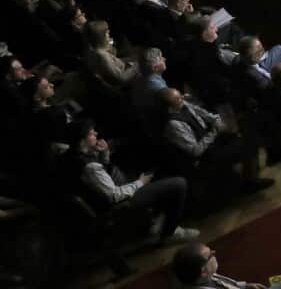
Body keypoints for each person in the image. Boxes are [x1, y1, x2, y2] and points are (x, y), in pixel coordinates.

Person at [72, 121, 200, 246]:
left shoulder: (79, 155)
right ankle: (170, 233)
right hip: (118, 206)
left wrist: (105, 153)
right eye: (91, 133)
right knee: (179, 183)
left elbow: (104, 176)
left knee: (158, 170)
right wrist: (140, 182)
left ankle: (154, 221)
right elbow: (114, 195)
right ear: (82, 140)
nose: (95, 133)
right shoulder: (89, 166)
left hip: (116, 193)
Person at [171, 242, 266, 289]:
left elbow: (226, 283)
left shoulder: (206, 276)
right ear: (203, 271)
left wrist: (246, 286)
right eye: (210, 255)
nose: (214, 252)